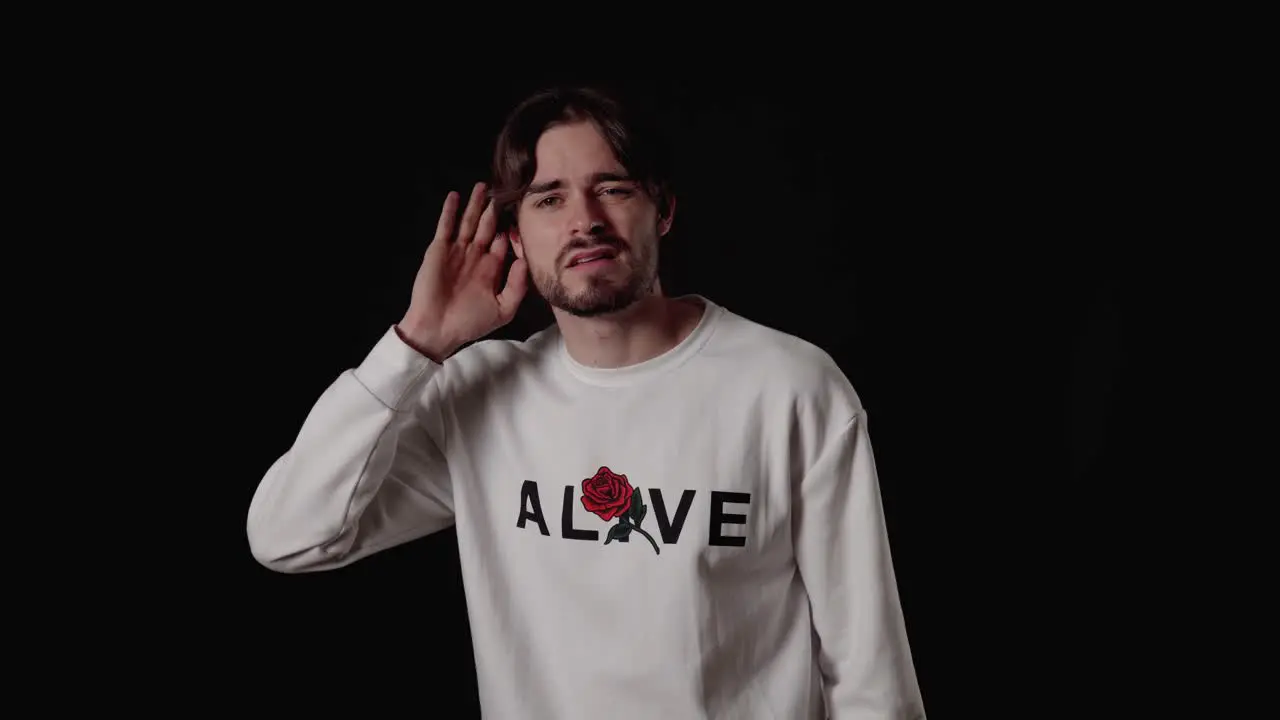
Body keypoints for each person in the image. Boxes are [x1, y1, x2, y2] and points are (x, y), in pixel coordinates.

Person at [247, 86, 927, 719]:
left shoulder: (790, 387)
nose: (585, 222)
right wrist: (417, 345)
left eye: (612, 188)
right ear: (513, 236)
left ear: (662, 209)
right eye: (549, 199)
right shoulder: (476, 396)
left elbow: (870, 677)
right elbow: (289, 535)